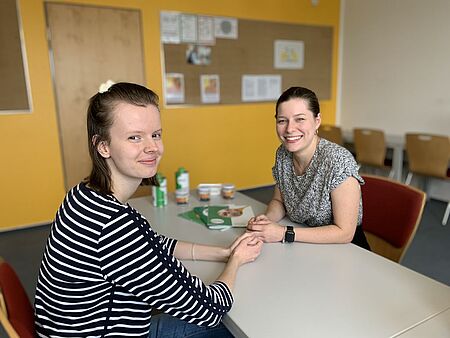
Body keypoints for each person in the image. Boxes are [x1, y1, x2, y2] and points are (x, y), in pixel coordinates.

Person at [34, 82, 263, 337]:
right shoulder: (114, 227)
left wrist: (221, 252)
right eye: (135, 137)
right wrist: (236, 261)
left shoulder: (83, 196)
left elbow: (152, 243)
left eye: (156, 134)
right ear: (103, 146)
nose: (152, 147)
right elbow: (209, 307)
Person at [247, 86, 370, 250]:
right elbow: (279, 201)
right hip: (303, 244)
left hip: (344, 250)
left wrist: (284, 233)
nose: (290, 129)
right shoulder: (283, 154)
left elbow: (345, 233)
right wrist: (266, 221)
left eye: (300, 119)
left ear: (317, 121)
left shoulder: (338, 161)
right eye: (282, 120)